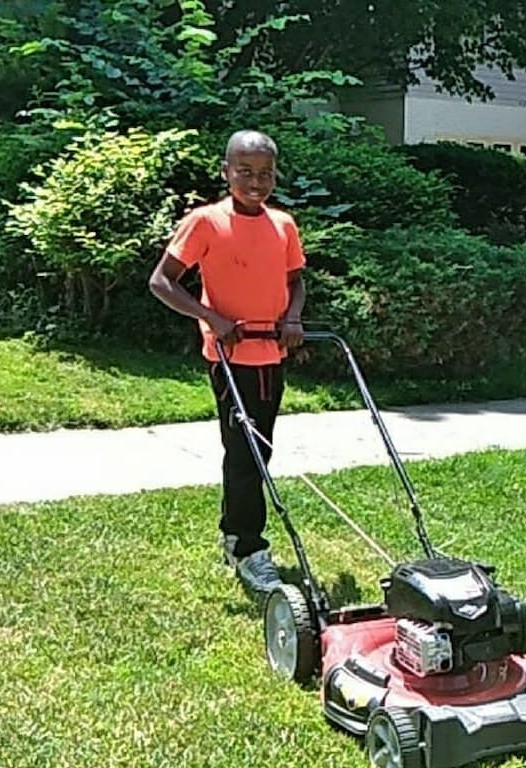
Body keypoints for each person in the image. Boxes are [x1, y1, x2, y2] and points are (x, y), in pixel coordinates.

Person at [148, 129, 306, 593]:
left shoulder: (283, 225)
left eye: (264, 174)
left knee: (260, 451)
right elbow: (163, 282)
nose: (255, 182)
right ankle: (247, 547)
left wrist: (293, 318)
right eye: (245, 172)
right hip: (229, 354)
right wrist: (212, 318)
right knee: (244, 453)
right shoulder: (205, 222)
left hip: (270, 351)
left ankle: (233, 532)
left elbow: (296, 281)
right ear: (226, 172)